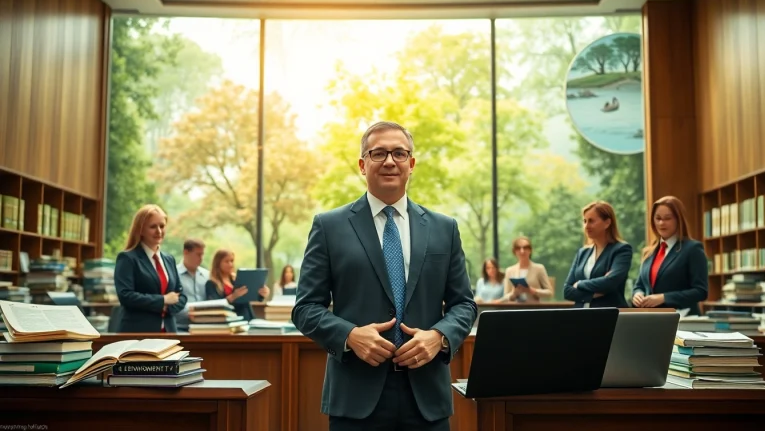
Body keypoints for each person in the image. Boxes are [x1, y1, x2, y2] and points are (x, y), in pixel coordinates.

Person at [291, 121, 477, 431]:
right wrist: (349, 335)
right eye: (378, 153)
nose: (390, 161)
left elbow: (465, 305)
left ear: (411, 164)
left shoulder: (445, 228)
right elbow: (306, 308)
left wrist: (439, 337)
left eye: (399, 153)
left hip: (427, 397)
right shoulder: (329, 226)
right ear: (363, 165)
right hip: (355, 397)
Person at [114, 204, 187, 332]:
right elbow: (126, 296)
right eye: (153, 226)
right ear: (140, 230)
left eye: (162, 226)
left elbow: (181, 295)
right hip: (138, 332)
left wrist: (166, 307)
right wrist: (162, 300)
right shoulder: (127, 258)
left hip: (169, 331)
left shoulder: (169, 259)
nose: (159, 231)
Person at [632, 196, 708, 315]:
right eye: (658, 218)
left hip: (683, 319)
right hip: (651, 319)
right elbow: (640, 285)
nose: (662, 223)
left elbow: (700, 291)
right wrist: (637, 294)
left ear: (679, 219)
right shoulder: (649, 252)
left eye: (668, 218)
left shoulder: (692, 249)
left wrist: (664, 298)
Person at [563, 200, 632, 308]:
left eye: (591, 221)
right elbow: (567, 291)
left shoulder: (621, 250)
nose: (586, 226)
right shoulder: (582, 252)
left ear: (607, 223)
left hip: (608, 317)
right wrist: (593, 294)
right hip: (580, 318)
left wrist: (580, 284)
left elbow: (610, 282)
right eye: (584, 221)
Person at [205, 249, 269, 321]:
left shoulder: (237, 280)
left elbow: (250, 296)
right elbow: (214, 306)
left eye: (232, 261)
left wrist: (261, 293)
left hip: (247, 317)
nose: (230, 264)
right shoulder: (211, 284)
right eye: (226, 261)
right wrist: (233, 296)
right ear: (218, 263)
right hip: (230, 320)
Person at [502, 236, 553, 302]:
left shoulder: (539, 268)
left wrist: (533, 291)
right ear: (514, 251)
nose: (522, 251)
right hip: (515, 309)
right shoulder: (509, 270)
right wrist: (513, 294)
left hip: (534, 308)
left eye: (525, 247)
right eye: (518, 248)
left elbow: (550, 292)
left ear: (530, 250)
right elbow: (506, 296)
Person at [175, 238, 209, 331]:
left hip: (206, 328)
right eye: (198, 254)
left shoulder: (207, 275)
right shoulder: (174, 274)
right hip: (181, 328)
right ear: (186, 252)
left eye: (202, 254)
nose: (201, 258)